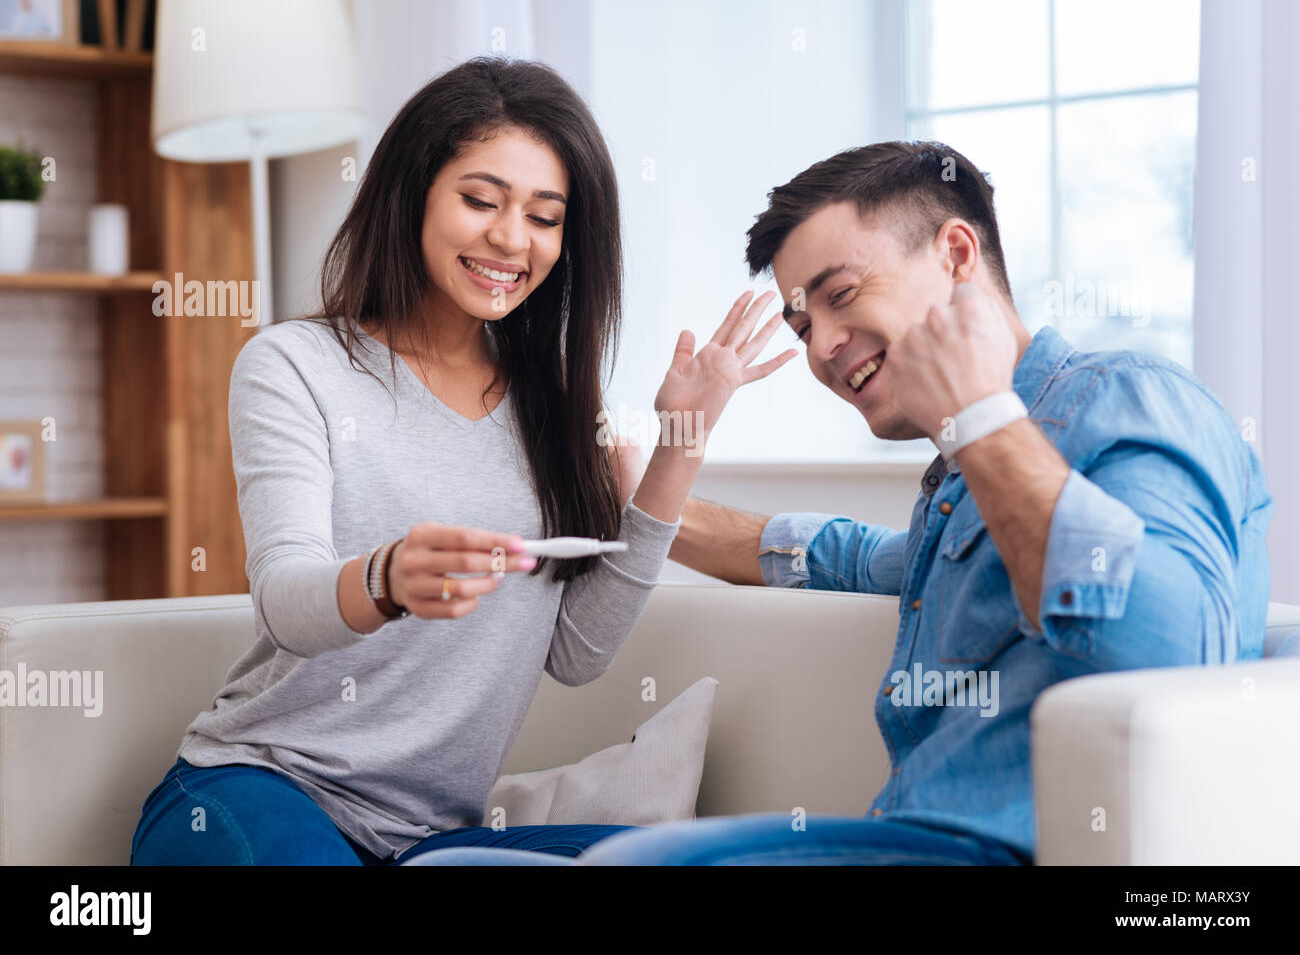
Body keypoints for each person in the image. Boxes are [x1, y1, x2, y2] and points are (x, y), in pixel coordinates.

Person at [416, 140, 1273, 865]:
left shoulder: (1125, 397)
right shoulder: (960, 486)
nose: (822, 348)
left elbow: (1175, 650)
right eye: (799, 325)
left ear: (957, 256)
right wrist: (643, 486)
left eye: (841, 295)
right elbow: (837, 554)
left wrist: (980, 419)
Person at [129, 57, 794, 866]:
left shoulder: (556, 409)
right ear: (413, 194)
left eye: (545, 217)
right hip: (262, 786)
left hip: (429, 839)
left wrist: (680, 444)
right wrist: (388, 576)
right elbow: (284, 599)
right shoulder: (294, 364)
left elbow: (576, 654)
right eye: (480, 200)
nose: (512, 239)